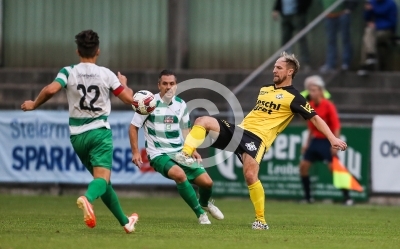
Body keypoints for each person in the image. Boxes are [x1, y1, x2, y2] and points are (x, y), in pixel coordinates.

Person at [175, 52, 348, 230]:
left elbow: (315, 118)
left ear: (290, 72)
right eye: (274, 67)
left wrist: (332, 138)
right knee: (202, 121)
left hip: (258, 139)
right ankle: (185, 155)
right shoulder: (265, 89)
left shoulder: (295, 97)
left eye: (279, 68)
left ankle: (261, 220)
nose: (274, 70)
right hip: (240, 131)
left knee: (250, 176)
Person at [21, 30, 139, 233]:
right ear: (98, 51)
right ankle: (87, 198)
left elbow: (50, 90)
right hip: (99, 132)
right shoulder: (106, 74)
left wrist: (34, 104)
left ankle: (125, 222)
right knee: (101, 179)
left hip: (77, 136)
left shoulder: (68, 71)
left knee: (103, 180)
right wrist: (125, 85)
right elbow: (129, 99)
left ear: (78, 51)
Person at [129, 70, 224, 224]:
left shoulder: (181, 104)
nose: (168, 87)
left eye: (171, 84)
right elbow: (133, 127)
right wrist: (135, 152)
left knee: (207, 183)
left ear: (176, 85)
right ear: (159, 85)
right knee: (179, 175)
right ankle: (200, 214)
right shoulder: (148, 103)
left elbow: (186, 131)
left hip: (180, 152)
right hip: (158, 153)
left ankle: (205, 203)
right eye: (165, 84)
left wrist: (193, 149)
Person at [298, 75, 353, 206]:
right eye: (310, 90)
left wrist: (334, 144)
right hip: (315, 141)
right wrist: (306, 143)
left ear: (321, 91)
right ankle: (308, 197)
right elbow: (311, 128)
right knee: (303, 167)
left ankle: (347, 197)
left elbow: (336, 126)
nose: (311, 92)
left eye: (314, 90)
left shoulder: (328, 106)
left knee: (334, 169)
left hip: (327, 141)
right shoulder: (310, 105)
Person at [358, 0, 397, 75]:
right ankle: (371, 56)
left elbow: (392, 22)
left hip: (386, 31)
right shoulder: (372, 2)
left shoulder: (391, 4)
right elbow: (367, 18)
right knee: (368, 32)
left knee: (367, 38)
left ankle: (364, 65)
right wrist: (367, 10)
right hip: (373, 31)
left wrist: (377, 26)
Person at [273, 0, 313, 70]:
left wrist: (301, 9)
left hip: (297, 15)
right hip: (285, 15)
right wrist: (276, 8)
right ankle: (285, 63)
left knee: (301, 39)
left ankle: (306, 63)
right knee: (285, 40)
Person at [320, 0, 358, 73]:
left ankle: (346, 63)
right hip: (329, 15)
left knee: (345, 39)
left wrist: (349, 8)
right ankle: (330, 64)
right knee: (331, 40)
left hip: (343, 13)